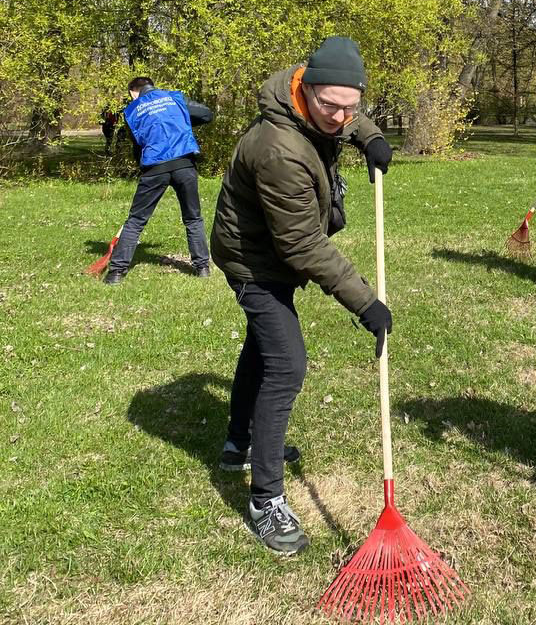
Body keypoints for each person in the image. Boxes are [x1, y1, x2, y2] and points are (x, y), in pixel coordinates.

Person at [210, 37, 394, 556]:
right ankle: (265, 498)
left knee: (263, 348)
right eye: (329, 106)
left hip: (275, 253)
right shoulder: (277, 149)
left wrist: (370, 136)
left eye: (351, 107)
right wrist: (365, 302)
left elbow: (344, 117)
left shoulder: (316, 102)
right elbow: (302, 244)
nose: (339, 117)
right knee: (286, 364)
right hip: (256, 261)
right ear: (305, 90)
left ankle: (237, 444)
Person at [103, 78, 213, 284]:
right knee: (193, 218)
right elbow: (207, 114)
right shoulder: (175, 98)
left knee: (136, 220)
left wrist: (142, 168)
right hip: (184, 164)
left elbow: (137, 146)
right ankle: (202, 267)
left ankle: (116, 273)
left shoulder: (132, 111)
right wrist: (181, 120)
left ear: (133, 91)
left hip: (154, 168)